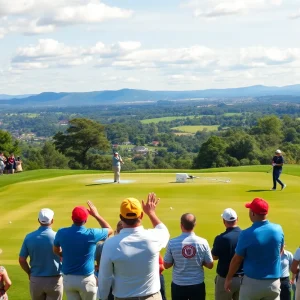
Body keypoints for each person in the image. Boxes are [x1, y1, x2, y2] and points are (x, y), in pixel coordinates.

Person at [98, 193, 170, 300]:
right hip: (151, 297)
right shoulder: (154, 237)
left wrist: (102, 297)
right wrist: (151, 213)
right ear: (141, 215)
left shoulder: (110, 244)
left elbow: (105, 277)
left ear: (121, 217)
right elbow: (164, 231)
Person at [225, 198, 284, 300]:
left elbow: (237, 260)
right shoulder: (278, 229)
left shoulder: (247, 233)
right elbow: (280, 251)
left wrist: (229, 278)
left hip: (252, 283)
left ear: (252, 213)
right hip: (273, 283)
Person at [53, 201, 113, 300]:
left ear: (72, 218)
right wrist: (96, 215)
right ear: (86, 220)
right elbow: (109, 229)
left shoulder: (61, 232)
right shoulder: (92, 234)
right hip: (86, 280)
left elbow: (55, 250)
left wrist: (64, 254)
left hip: (68, 279)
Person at [164, 213, 214, 300]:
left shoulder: (172, 242)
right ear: (195, 225)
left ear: (181, 225)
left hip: (178, 284)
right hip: (197, 284)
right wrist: (200, 261)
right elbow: (210, 265)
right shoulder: (203, 242)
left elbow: (166, 265)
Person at [19, 208, 63, 300]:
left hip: (36, 279)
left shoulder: (29, 237)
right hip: (54, 279)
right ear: (52, 220)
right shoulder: (57, 236)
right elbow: (64, 256)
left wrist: (29, 272)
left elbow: (22, 259)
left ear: (39, 220)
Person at [212, 208, 243, 300]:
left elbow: (214, 256)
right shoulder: (245, 235)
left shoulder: (221, 238)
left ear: (224, 221)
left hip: (224, 279)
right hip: (243, 279)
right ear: (237, 219)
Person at [94, 221, 123, 300]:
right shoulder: (131, 246)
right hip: (122, 285)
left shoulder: (103, 245)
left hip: (105, 282)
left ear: (115, 232)